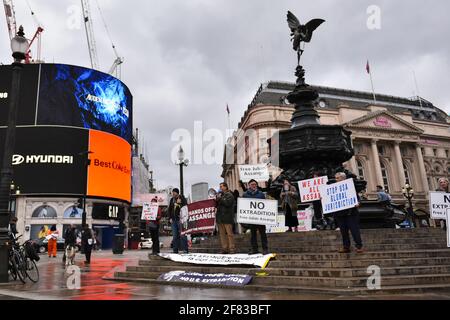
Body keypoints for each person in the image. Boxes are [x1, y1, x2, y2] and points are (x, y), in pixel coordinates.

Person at [333, 172, 364, 254]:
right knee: (343, 231)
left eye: (338, 178)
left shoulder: (350, 187)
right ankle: (346, 247)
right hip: (340, 214)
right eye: (336, 178)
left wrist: (358, 203)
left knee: (354, 230)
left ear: (343, 178)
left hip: (351, 213)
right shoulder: (333, 188)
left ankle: (359, 246)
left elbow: (357, 197)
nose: (336, 180)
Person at [243, 179, 269, 255]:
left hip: (260, 217)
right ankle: (254, 249)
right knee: (253, 234)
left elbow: (265, 204)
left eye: (255, 184)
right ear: (249, 185)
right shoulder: (245, 195)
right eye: (252, 184)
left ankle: (265, 249)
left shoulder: (261, 194)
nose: (254, 186)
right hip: (251, 218)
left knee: (263, 233)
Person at [215, 182, 236, 254]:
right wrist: (216, 200)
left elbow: (228, 203)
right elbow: (216, 206)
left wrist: (220, 199)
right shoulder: (220, 195)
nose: (220, 188)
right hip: (220, 218)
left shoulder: (229, 195)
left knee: (229, 234)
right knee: (222, 234)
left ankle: (232, 248)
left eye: (221, 186)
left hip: (227, 217)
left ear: (226, 187)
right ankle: (224, 248)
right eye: (220, 186)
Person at [168, 188, 188, 254]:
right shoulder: (172, 200)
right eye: (172, 192)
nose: (173, 193)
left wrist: (180, 203)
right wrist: (170, 218)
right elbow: (169, 209)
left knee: (182, 234)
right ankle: (175, 250)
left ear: (177, 193)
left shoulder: (182, 198)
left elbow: (186, 207)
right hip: (173, 220)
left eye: (174, 192)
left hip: (180, 219)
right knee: (175, 236)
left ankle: (185, 249)